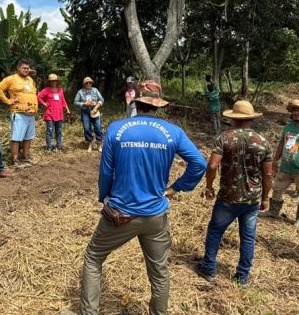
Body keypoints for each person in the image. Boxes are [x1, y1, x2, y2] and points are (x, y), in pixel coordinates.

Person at [79, 80, 206, 315]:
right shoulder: (173, 133)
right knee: (159, 273)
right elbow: (199, 163)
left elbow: (106, 172)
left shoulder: (117, 129)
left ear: (135, 100)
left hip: (121, 214)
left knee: (93, 259)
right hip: (155, 215)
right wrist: (176, 188)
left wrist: (104, 198)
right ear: (158, 105)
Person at [194, 100, 273, 287]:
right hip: (252, 199)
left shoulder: (225, 138)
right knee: (248, 237)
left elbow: (213, 165)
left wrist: (209, 186)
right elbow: (268, 174)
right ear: (251, 119)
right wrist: (265, 198)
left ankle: (209, 268)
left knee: (215, 231)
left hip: (228, 197)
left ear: (233, 118)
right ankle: (242, 276)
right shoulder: (262, 142)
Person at [261, 99, 299, 228]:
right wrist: (275, 160)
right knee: (277, 189)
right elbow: (282, 144)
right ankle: (273, 211)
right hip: (286, 167)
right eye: (294, 110)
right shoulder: (288, 126)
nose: (296, 113)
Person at [0, 58, 38, 168]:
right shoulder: (11, 79)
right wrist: (8, 101)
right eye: (24, 68)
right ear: (18, 68)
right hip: (18, 113)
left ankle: (26, 157)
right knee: (16, 137)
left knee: (28, 137)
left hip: (31, 114)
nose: (26, 70)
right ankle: (15, 159)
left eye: (28, 68)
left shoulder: (30, 80)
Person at [37, 73, 71, 152]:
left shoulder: (60, 90)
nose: (53, 83)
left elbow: (63, 101)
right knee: (50, 130)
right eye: (52, 81)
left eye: (55, 81)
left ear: (57, 82)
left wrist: (67, 109)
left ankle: (59, 147)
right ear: (49, 82)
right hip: (50, 113)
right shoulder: (46, 90)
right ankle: (49, 147)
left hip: (59, 113)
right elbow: (38, 97)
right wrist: (44, 103)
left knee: (59, 131)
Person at [74, 77, 105, 152]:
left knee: (98, 127)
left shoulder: (95, 90)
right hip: (85, 112)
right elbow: (75, 102)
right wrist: (84, 103)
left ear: (91, 83)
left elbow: (101, 99)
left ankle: (99, 144)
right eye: (86, 83)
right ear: (84, 84)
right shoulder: (80, 92)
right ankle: (90, 144)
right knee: (87, 128)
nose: (88, 84)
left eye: (90, 82)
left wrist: (95, 108)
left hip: (95, 111)